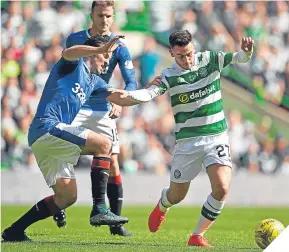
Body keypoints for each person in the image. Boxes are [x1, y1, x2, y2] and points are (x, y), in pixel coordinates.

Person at [108, 30, 254, 247]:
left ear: (194, 46)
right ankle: (163, 204)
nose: (187, 60)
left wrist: (246, 53)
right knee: (177, 194)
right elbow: (149, 94)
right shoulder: (168, 75)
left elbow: (239, 58)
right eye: (181, 56)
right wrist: (127, 95)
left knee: (222, 187)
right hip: (188, 143)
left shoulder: (211, 59)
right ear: (171, 53)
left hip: (216, 137)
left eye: (189, 54)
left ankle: (197, 236)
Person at [1, 35, 131, 242]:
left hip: (47, 139)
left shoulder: (95, 81)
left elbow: (121, 96)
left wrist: (154, 90)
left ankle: (14, 231)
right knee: (104, 144)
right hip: (47, 127)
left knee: (66, 197)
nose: (108, 62)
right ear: (94, 52)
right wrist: (101, 49)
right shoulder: (74, 64)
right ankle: (99, 207)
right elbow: (68, 52)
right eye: (105, 56)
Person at [53, 0, 137, 236]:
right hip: (75, 107)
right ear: (91, 15)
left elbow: (131, 81)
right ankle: (59, 202)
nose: (105, 20)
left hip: (102, 107)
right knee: (62, 157)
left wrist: (119, 99)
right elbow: (64, 71)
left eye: (109, 16)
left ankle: (116, 222)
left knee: (113, 162)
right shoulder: (75, 39)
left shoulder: (119, 46)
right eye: (100, 15)